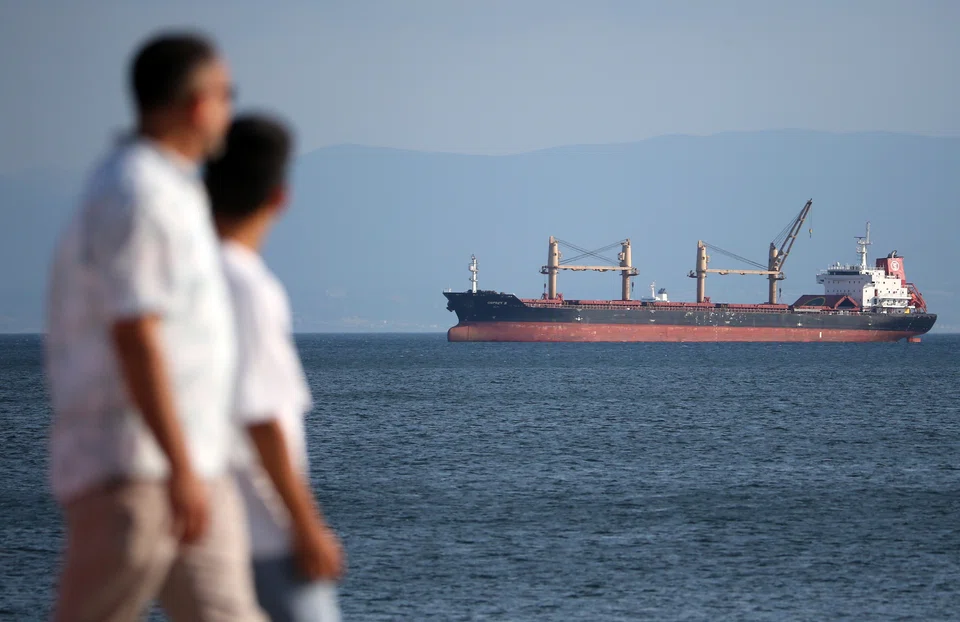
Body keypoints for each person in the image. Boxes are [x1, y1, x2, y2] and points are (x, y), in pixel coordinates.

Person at [45, 32, 264, 621]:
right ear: (196, 103)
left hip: (189, 468)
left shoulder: (172, 192)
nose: (229, 109)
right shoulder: (138, 197)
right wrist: (182, 465)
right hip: (137, 472)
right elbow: (136, 335)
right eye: (226, 94)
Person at [205, 114, 345, 622]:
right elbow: (263, 419)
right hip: (264, 531)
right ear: (279, 198)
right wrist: (307, 527)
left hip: (208, 527)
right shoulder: (248, 287)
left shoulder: (186, 279)